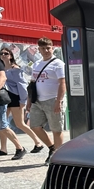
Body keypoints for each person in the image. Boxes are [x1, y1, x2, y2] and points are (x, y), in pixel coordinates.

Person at [0, 47, 44, 156]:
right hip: (4, 98)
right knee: (2, 124)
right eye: (1, 53)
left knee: (20, 123)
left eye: (6, 53)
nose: (3, 55)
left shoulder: (16, 70)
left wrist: (23, 101)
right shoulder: (1, 69)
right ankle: (3, 148)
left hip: (15, 98)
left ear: (10, 55)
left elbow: (22, 86)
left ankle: (38, 142)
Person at [27, 37, 66, 165]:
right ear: (39, 49)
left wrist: (59, 101)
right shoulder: (37, 64)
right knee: (34, 126)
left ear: (52, 48)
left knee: (56, 128)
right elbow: (32, 84)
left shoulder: (58, 63)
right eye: (43, 48)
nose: (46, 50)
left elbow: (62, 83)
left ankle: (58, 156)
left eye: (48, 48)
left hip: (52, 99)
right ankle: (51, 147)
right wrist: (29, 101)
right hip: (38, 100)